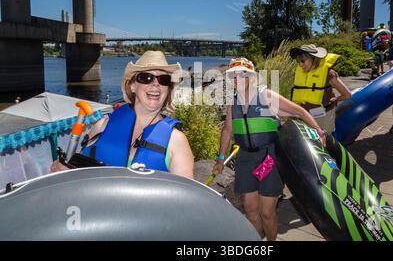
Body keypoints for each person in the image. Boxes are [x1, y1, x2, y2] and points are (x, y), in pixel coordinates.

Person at [214, 57, 325, 241]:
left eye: (242, 74)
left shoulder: (266, 96)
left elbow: (299, 111)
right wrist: (220, 159)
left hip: (268, 158)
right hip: (245, 160)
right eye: (233, 76)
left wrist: (319, 132)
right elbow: (227, 130)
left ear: (251, 76)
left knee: (267, 212)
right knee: (250, 209)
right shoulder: (232, 103)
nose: (237, 79)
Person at [50, 51, 194, 179]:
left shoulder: (176, 141)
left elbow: (184, 202)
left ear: (168, 89)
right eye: (146, 78)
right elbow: (81, 176)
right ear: (132, 86)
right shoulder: (102, 126)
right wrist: (65, 172)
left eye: (163, 80)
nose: (156, 84)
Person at [289, 44, 352, 133]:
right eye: (298, 61)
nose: (300, 64)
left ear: (313, 58)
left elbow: (347, 95)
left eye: (303, 61)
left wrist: (335, 100)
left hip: (322, 117)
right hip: (304, 116)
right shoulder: (302, 73)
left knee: (324, 143)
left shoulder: (328, 73)